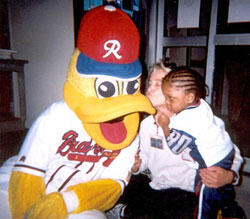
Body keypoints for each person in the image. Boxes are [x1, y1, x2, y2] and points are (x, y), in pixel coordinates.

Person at [0, 5, 155, 219]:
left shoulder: (130, 132)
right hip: (18, 183)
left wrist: (64, 202)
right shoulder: (59, 115)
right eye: (107, 85)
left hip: (76, 199)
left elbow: (113, 185)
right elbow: (30, 171)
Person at [107, 62, 245, 219]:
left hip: (188, 191)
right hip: (157, 186)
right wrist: (137, 165)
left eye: (157, 84)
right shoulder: (146, 124)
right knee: (118, 188)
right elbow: (145, 159)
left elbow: (231, 151)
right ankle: (128, 211)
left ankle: (127, 212)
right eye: (150, 83)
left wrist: (230, 175)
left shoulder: (197, 120)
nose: (149, 89)